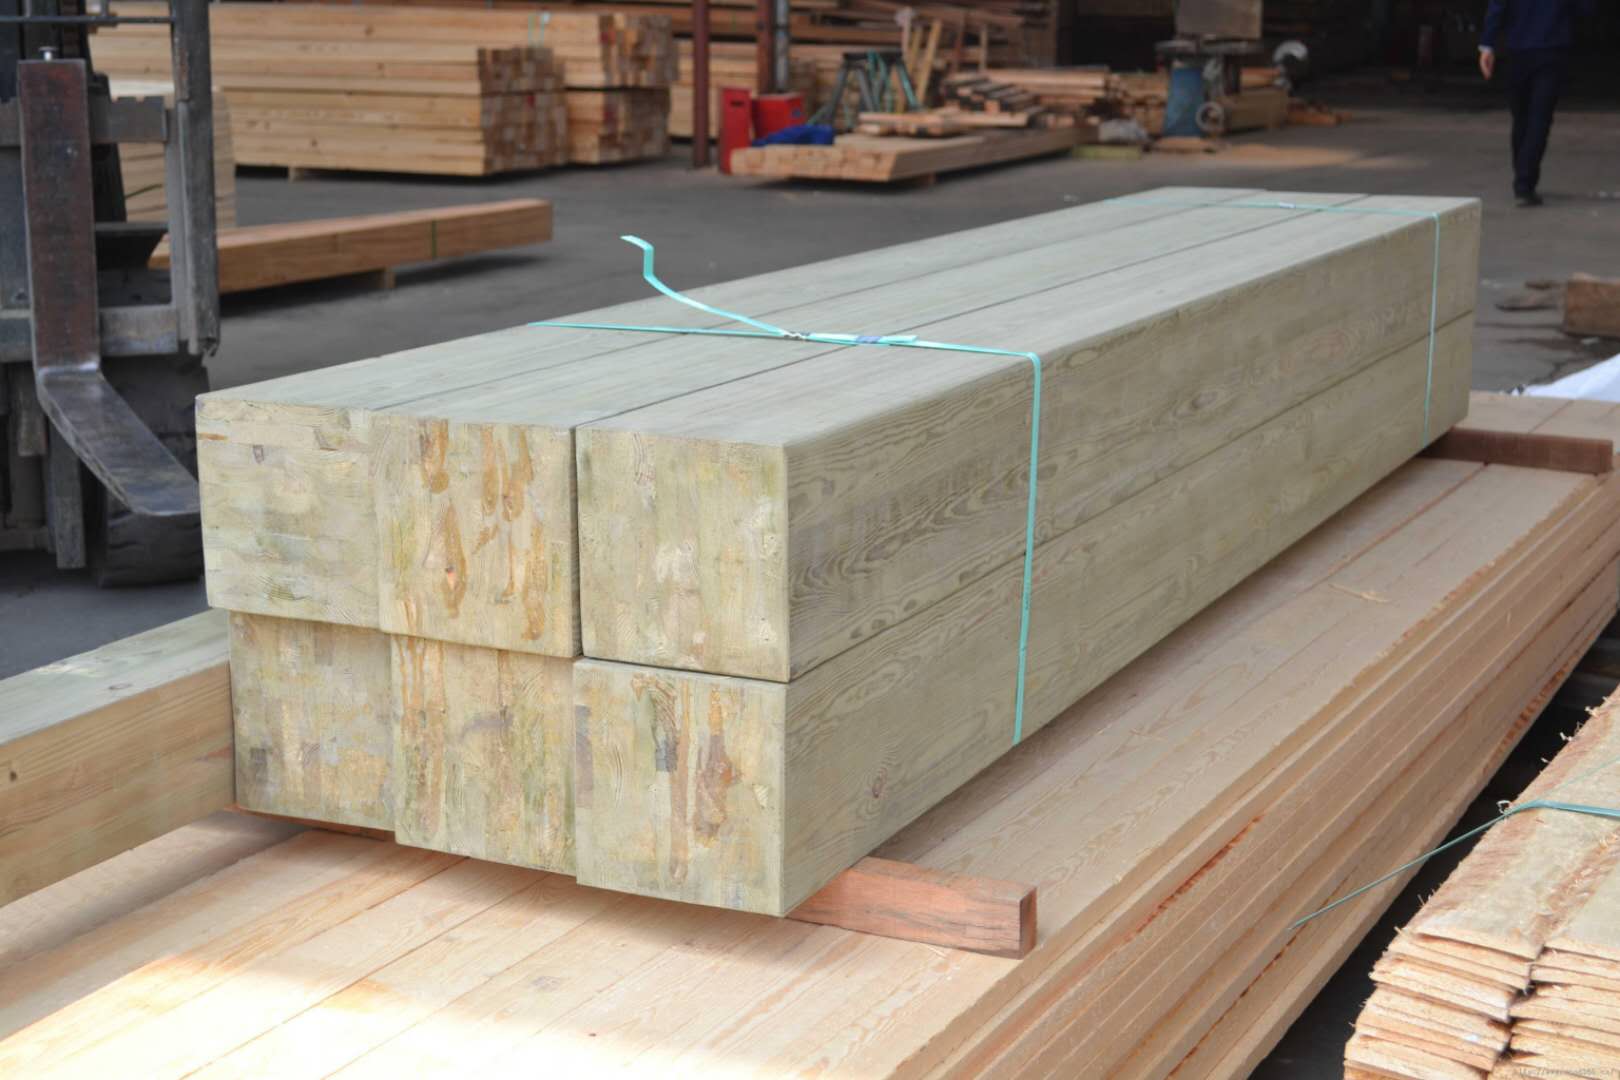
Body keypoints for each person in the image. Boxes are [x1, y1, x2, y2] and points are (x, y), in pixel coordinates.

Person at [1478, 0, 1592, 207]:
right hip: (1551, 48)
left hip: (1518, 48)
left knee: (1521, 118)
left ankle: (1523, 175)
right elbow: (1584, 9)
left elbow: (1498, 6)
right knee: (1539, 119)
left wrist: (1487, 45)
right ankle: (1524, 180)